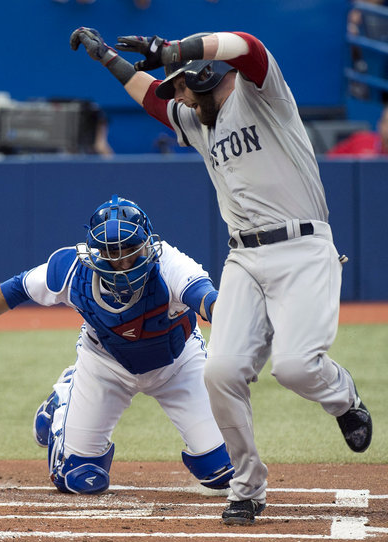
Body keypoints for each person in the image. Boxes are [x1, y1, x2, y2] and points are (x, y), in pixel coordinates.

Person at [70, 28, 373, 524]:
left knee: (295, 367)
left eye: (183, 86)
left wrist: (178, 51)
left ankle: (344, 399)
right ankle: (248, 488)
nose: (178, 98)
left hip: (302, 247)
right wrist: (105, 56)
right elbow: (150, 98)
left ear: (204, 75)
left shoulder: (262, 94)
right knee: (220, 371)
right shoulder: (198, 121)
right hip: (244, 260)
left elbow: (249, 45)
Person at [0, 195, 234, 496]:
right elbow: (16, 289)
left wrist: (239, 325)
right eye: (111, 253)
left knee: (221, 471)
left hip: (177, 364)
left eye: (130, 250)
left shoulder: (172, 265)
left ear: (146, 245)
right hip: (105, 366)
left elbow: (207, 301)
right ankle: (62, 401)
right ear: (95, 252)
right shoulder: (73, 270)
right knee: (79, 478)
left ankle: (67, 394)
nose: (123, 262)